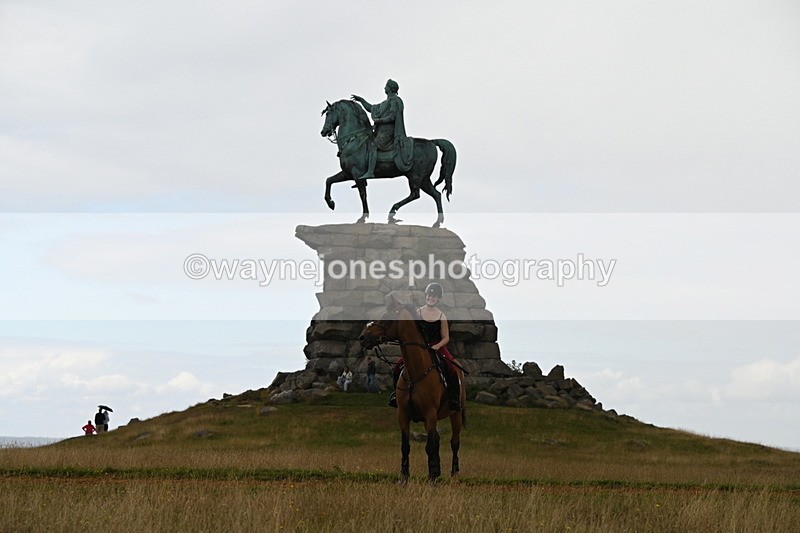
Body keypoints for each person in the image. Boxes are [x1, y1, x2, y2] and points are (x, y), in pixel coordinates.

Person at [388, 283, 462, 411]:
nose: (431, 298)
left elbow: (446, 338)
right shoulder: (417, 313)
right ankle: (397, 395)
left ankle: (454, 399)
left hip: (437, 347)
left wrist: (437, 346)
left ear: (438, 298)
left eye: (434, 296)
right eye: (429, 295)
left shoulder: (442, 316)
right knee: (397, 367)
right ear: (426, 296)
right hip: (420, 347)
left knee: (452, 369)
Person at [351, 79, 413, 181]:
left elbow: (392, 117)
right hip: (381, 131)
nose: (384, 88)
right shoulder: (385, 103)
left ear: (390, 88)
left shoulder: (395, 101)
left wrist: (379, 121)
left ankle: (370, 171)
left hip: (389, 132)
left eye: (386, 86)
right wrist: (361, 100)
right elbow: (371, 108)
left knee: (373, 145)